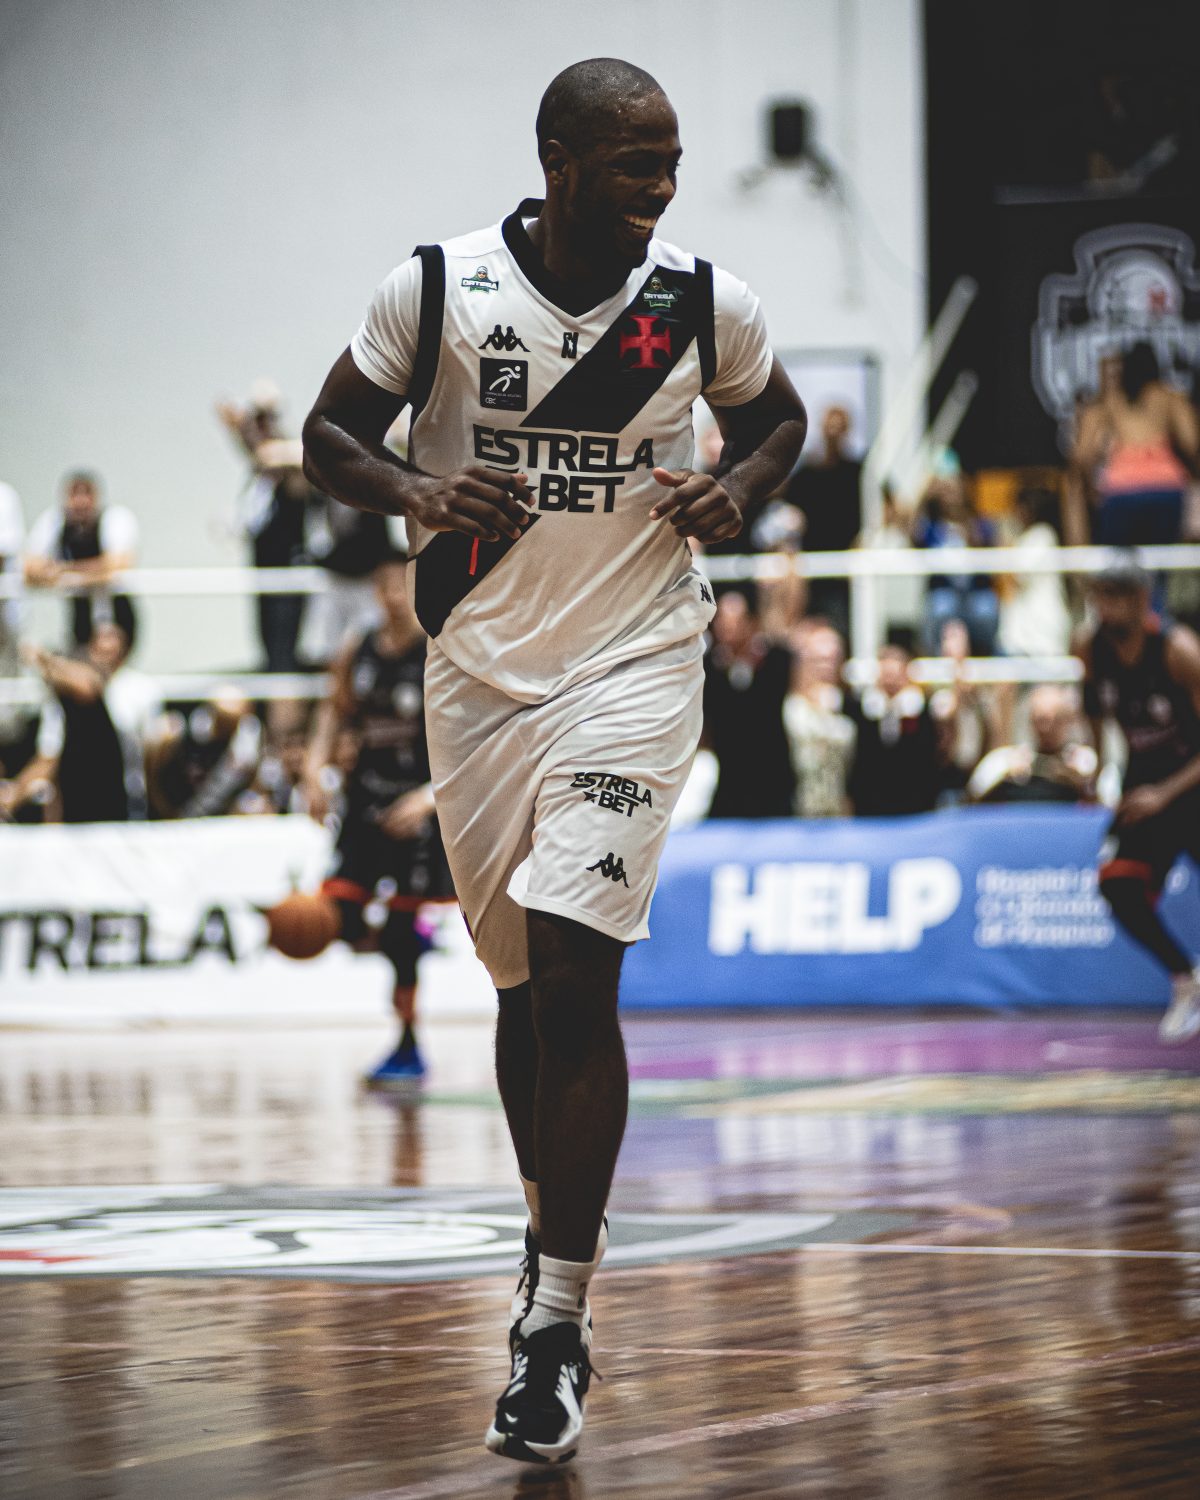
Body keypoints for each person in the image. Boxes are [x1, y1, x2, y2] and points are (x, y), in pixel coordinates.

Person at [302, 56, 807, 1464]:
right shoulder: (438, 289)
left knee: (582, 967)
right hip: (478, 673)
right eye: (638, 162)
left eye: (673, 160)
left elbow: (780, 422)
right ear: (560, 162)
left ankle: (555, 1325)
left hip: (637, 663)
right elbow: (327, 437)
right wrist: (417, 488)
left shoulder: (700, 302)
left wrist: (739, 488)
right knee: (525, 991)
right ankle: (548, 1248)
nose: (664, 186)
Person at [304, 551, 453, 1084]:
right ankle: (401, 935)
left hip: (416, 808)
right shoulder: (358, 648)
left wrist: (429, 798)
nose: (392, 597)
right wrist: (314, 767)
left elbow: (470, 739)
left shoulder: (442, 649)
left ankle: (408, 1041)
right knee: (335, 914)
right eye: (384, 586)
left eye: (401, 586)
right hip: (364, 803)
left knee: (400, 941)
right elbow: (333, 709)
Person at [1077, 558, 1200, 1042]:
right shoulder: (1090, 648)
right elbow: (1093, 710)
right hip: (1143, 779)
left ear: (1141, 598)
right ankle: (1185, 979)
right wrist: (1095, 773)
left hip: (1190, 778)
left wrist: (1164, 794)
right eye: (1100, 596)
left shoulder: (1178, 650)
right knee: (1117, 885)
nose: (1105, 607)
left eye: (1115, 596)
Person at [19, 623, 159, 823]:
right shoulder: (62, 704)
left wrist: (43, 658)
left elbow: (88, 686)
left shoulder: (135, 689)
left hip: (123, 801)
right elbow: (49, 759)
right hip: (77, 802)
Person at [1073, 342, 1198, 547]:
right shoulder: (1170, 397)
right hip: (1166, 489)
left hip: (1121, 492)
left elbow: (1082, 455)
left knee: (1118, 563)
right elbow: (1191, 442)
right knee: (1161, 558)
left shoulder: (1111, 401)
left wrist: (1090, 488)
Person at [702, 586, 794, 818]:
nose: (727, 628)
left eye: (735, 621)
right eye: (722, 620)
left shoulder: (776, 660)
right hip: (729, 784)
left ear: (752, 622)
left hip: (773, 784)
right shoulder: (709, 668)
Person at [23, 472, 139, 650]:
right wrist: (93, 573)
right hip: (78, 613)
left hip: (114, 611)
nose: (81, 502)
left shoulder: (114, 519)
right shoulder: (54, 522)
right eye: (75, 494)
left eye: (87, 493)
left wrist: (63, 572)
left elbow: (117, 565)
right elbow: (30, 569)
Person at [784, 403, 862, 638]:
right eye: (830, 427)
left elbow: (889, 507)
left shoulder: (859, 473)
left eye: (839, 427)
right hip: (810, 569)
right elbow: (786, 511)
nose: (833, 433)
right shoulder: (805, 475)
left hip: (847, 570)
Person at [847, 636, 943, 816]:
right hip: (869, 809)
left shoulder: (922, 710)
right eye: (886, 672)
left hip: (914, 808)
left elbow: (929, 762)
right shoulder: (860, 710)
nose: (890, 680)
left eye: (895, 673)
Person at [967, 684, 1097, 804]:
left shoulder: (1082, 760)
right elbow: (972, 800)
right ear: (1031, 720)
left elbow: (1100, 805)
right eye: (1041, 719)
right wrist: (1004, 777)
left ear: (1068, 719)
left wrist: (1075, 781)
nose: (1047, 728)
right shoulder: (1008, 759)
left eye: (1056, 719)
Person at [783, 621, 854, 817]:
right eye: (818, 659)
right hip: (797, 812)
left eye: (833, 659)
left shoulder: (850, 705)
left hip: (840, 813)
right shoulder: (791, 705)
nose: (826, 666)